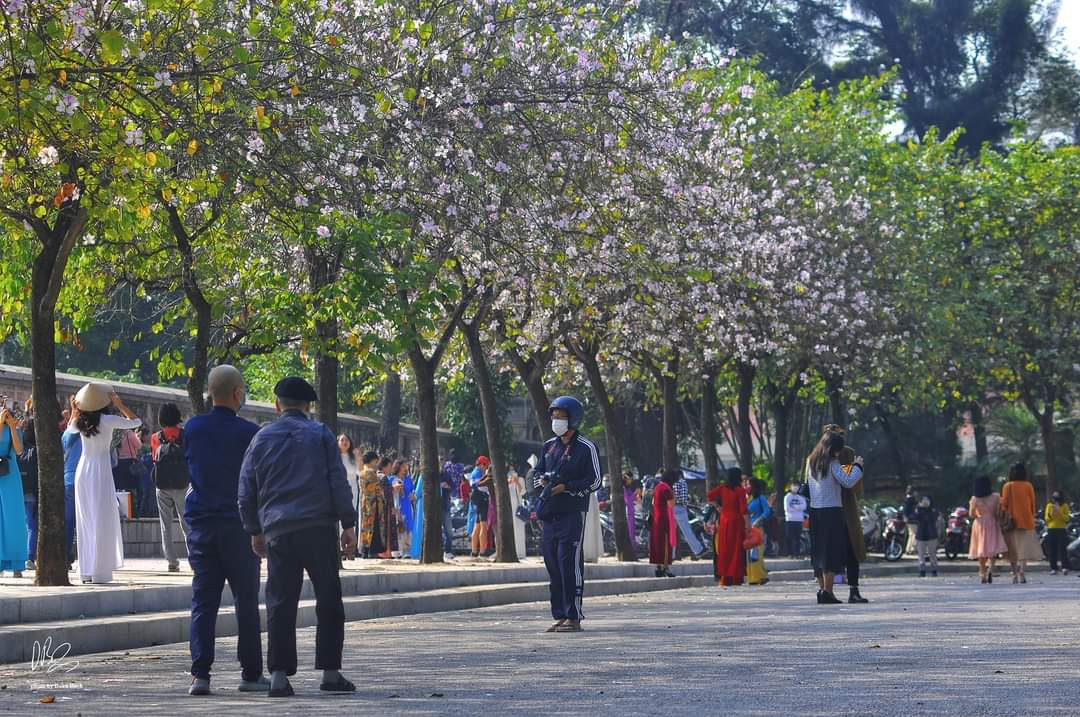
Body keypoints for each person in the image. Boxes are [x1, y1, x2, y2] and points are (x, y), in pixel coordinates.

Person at [238, 376, 358, 698]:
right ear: (309, 406)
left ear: (277, 405)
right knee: (329, 599)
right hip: (318, 528)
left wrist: (254, 529)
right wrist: (348, 523)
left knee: (280, 601)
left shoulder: (261, 438)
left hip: (279, 531)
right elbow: (337, 481)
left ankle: (278, 676)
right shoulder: (320, 434)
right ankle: (330, 673)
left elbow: (246, 487)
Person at [182, 366, 267, 696]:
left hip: (202, 525)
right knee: (246, 601)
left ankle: (200, 674)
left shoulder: (193, 428)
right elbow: (254, 483)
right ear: (236, 394)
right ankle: (250, 673)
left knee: (203, 602)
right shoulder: (250, 433)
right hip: (239, 526)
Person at [533, 396, 602, 633]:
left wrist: (567, 487)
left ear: (572, 418)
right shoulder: (548, 446)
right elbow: (537, 472)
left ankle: (574, 615)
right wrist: (542, 482)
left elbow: (594, 481)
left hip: (572, 513)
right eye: (554, 416)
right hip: (549, 513)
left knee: (568, 562)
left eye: (561, 417)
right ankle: (560, 614)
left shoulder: (586, 447)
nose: (556, 421)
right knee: (552, 564)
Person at [71, 385, 140, 583]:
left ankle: (86, 569)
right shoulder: (108, 420)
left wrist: (75, 411)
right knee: (101, 517)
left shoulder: (79, 422)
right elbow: (136, 421)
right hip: (100, 469)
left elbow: (68, 430)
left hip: (83, 469)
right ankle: (99, 570)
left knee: (85, 519)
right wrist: (120, 404)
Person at [805, 431, 864, 604]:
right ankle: (828, 592)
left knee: (819, 552)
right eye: (837, 450)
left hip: (815, 511)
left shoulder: (811, 461)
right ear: (832, 449)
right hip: (832, 511)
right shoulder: (832, 463)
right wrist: (857, 466)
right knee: (830, 553)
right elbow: (848, 481)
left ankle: (822, 589)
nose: (838, 453)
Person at [151, 403, 190, 573]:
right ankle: (194, 558)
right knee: (186, 522)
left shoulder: (156, 437)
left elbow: (154, 460)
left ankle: (172, 561)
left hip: (162, 485)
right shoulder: (185, 435)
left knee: (165, 524)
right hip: (182, 484)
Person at [837, 447, 869, 603]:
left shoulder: (823, 463)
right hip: (846, 515)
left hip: (831, 513)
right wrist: (857, 467)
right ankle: (853, 590)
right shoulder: (842, 468)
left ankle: (825, 590)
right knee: (852, 553)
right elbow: (854, 486)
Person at [707, 468, 748, 586]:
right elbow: (744, 510)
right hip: (736, 521)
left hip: (724, 521)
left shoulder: (722, 488)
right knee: (736, 549)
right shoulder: (740, 491)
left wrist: (719, 507)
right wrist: (748, 526)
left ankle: (725, 577)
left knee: (725, 548)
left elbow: (709, 496)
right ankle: (736, 577)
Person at [1000, 463, 1040, 584]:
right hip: (1026, 521)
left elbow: (1004, 504)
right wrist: (1032, 517)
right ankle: (1022, 571)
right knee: (1024, 549)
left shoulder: (1008, 486)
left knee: (1013, 550)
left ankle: (1014, 574)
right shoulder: (1028, 485)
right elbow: (1033, 503)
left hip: (1012, 523)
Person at [0, 402, 27, 577]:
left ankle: (17, 563)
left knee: (14, 519)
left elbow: (19, 450)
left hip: (11, 475)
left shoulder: (14, 429)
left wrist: (12, 427)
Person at [968, 475, 1007, 584]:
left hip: (979, 523)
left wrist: (979, 514)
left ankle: (982, 572)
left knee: (981, 548)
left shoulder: (974, 498)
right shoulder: (995, 497)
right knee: (992, 547)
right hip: (992, 521)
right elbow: (998, 512)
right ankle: (991, 568)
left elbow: (971, 514)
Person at [17, 418, 38, 571]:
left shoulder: (15, 447)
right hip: (30, 491)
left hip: (15, 490)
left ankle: (16, 557)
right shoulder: (35, 450)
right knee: (31, 525)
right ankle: (29, 557)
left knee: (18, 525)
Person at [61, 420, 82, 568]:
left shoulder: (66, 435)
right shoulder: (90, 436)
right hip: (85, 480)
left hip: (68, 479)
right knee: (85, 521)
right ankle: (87, 558)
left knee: (68, 521)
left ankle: (66, 556)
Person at [649, 469, 677, 577]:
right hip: (665, 519)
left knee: (657, 543)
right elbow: (671, 504)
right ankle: (666, 567)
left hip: (656, 517)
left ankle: (658, 567)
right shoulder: (666, 488)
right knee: (665, 543)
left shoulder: (658, 487)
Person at [673, 471, 706, 560]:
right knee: (687, 531)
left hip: (671, 508)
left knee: (671, 532)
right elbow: (683, 498)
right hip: (680, 508)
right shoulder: (682, 482)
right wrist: (684, 503)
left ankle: (671, 554)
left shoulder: (672, 483)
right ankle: (698, 550)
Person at [359, 451, 384, 558]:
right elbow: (377, 487)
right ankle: (371, 551)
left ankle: (365, 550)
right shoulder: (370, 472)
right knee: (373, 527)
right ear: (371, 460)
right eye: (375, 461)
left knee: (366, 526)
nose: (376, 464)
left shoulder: (362, 472)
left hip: (366, 501)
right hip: (373, 502)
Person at [746, 478, 771, 585]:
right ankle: (753, 577)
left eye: (748, 484)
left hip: (757, 529)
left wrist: (759, 520)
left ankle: (760, 576)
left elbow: (767, 511)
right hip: (748, 529)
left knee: (756, 553)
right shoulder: (749, 499)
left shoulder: (761, 498)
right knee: (750, 554)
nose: (746, 486)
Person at [439, 450, 463, 560]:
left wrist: (446, 486)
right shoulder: (430, 474)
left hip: (445, 505)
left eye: (441, 460)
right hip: (433, 507)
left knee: (449, 530)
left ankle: (447, 550)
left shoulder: (446, 474)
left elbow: (453, 487)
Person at [337, 434, 361, 536]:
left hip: (352, 489)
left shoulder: (353, 457)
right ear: (337, 442)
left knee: (351, 514)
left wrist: (359, 458)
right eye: (342, 440)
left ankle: (350, 543)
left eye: (347, 440)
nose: (345, 442)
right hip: (338, 488)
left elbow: (360, 472)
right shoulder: (334, 457)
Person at [391, 459, 414, 558]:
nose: (405, 468)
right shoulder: (392, 479)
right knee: (398, 527)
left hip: (407, 505)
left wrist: (413, 496)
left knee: (408, 527)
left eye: (406, 466)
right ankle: (397, 551)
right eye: (403, 466)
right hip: (396, 505)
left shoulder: (408, 479)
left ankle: (407, 550)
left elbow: (412, 492)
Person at [469, 456, 491, 559]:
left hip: (476, 500)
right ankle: (482, 553)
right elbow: (480, 486)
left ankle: (473, 552)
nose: (486, 468)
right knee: (483, 526)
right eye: (486, 465)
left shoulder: (473, 472)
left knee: (477, 526)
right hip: (482, 499)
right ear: (482, 464)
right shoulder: (478, 473)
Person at [912, 496, 940, 578]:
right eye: (923, 501)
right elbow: (913, 517)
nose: (925, 502)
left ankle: (934, 570)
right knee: (921, 554)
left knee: (932, 554)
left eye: (927, 501)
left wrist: (926, 511)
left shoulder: (933, 510)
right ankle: (922, 570)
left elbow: (933, 517)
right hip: (921, 535)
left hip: (932, 535)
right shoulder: (918, 510)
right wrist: (919, 509)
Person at [376, 457, 398, 558]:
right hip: (386, 508)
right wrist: (392, 507)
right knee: (387, 530)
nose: (390, 469)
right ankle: (386, 551)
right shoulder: (383, 477)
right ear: (384, 466)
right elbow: (386, 494)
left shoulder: (377, 476)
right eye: (389, 466)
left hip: (379, 507)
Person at [1044, 491, 1071, 575]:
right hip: (1051, 529)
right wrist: (1051, 514)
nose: (1055, 498)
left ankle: (1064, 567)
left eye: (1057, 496)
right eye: (1054, 496)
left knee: (1063, 549)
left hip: (1061, 529)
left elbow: (1067, 519)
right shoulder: (1049, 505)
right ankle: (1053, 568)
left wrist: (1060, 513)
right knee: (1052, 549)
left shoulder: (1065, 506)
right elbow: (1047, 519)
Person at [507, 467, 527, 560]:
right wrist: (510, 482)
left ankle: (521, 552)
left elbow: (522, 492)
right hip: (509, 506)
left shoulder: (521, 479)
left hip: (517, 506)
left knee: (519, 530)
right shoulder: (506, 480)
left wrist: (517, 482)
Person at [783, 482, 807, 557]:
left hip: (799, 520)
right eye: (794, 486)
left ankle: (797, 554)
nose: (796, 487)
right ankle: (790, 553)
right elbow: (787, 508)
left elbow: (804, 506)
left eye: (797, 486)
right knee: (790, 537)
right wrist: (798, 508)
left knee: (797, 538)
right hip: (790, 519)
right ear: (790, 487)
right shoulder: (787, 497)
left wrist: (794, 507)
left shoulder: (800, 497)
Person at [410, 468, 425, 560]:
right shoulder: (436, 477)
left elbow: (417, 493)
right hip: (429, 504)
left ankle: (417, 551)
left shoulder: (423, 476)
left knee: (419, 528)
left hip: (422, 504)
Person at [623, 472, 640, 547]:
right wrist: (635, 493)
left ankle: (633, 546)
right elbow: (628, 500)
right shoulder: (623, 489)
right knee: (630, 530)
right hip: (628, 512)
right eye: (630, 479)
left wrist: (637, 496)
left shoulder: (628, 488)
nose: (631, 481)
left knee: (632, 530)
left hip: (631, 511)